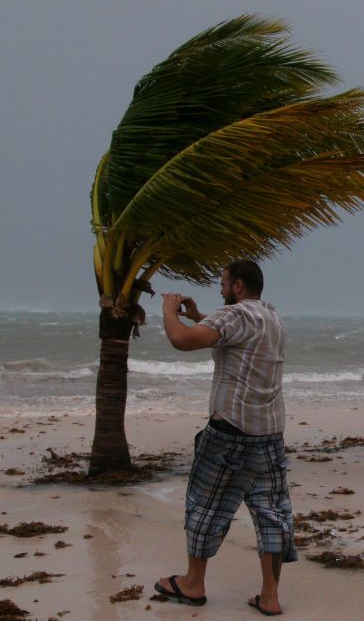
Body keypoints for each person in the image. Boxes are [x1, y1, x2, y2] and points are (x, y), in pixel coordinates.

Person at [154, 259, 295, 616]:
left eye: (223, 283)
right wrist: (200, 313)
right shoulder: (272, 317)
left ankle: (193, 584)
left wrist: (170, 311)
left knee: (205, 505)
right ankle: (270, 597)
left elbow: (181, 340)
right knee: (271, 514)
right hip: (269, 434)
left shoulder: (233, 316)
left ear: (238, 286)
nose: (219, 289)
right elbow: (229, 333)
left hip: (229, 432)